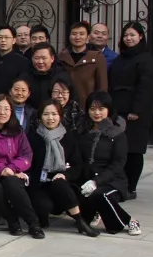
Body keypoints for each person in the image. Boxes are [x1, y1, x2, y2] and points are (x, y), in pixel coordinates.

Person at [0, 94, 42, 238]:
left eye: (6, 109)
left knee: (13, 185)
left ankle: (33, 223)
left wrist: (12, 168)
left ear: (11, 112)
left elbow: (26, 155)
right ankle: (12, 220)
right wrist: (2, 169)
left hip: (12, 171)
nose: (2, 112)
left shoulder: (17, 130)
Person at [27, 100, 99, 236]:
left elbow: (77, 165)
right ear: (40, 117)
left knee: (59, 182)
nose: (50, 118)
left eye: (54, 114)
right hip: (41, 184)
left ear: (60, 116)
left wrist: (66, 174)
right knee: (43, 209)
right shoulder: (34, 137)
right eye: (46, 114)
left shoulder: (68, 136)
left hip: (63, 184)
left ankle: (80, 222)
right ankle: (42, 218)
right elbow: (30, 165)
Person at [77, 92, 142, 235]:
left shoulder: (117, 134)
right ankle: (97, 211)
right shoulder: (82, 131)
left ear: (109, 110)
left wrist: (96, 182)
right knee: (81, 220)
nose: (96, 113)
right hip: (87, 179)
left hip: (112, 181)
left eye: (101, 109)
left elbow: (118, 164)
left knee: (100, 195)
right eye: (92, 108)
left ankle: (129, 221)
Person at [109, 22, 153, 198]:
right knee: (120, 149)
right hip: (118, 110)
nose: (128, 38)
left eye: (132, 35)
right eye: (126, 35)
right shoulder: (120, 58)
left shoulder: (146, 59)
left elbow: (146, 88)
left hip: (135, 113)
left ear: (140, 37)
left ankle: (131, 187)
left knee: (134, 150)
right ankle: (121, 184)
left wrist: (136, 110)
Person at [58, 21, 108, 105]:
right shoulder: (62, 56)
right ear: (69, 36)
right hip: (65, 104)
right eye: (74, 34)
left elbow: (102, 86)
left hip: (88, 104)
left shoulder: (97, 57)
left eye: (81, 34)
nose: (77, 37)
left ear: (88, 37)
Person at [0, 26, 30, 103]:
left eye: (7, 37)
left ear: (14, 40)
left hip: (12, 103)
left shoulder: (23, 62)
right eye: (0, 37)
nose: (3, 40)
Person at [27, 43, 73, 110]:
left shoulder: (62, 76)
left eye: (44, 58)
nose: (40, 62)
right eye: (37, 58)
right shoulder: (26, 75)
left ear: (52, 58)